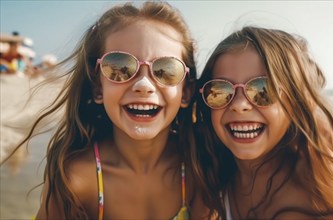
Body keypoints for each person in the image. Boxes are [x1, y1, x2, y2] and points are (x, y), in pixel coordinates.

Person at [4, 2, 209, 219]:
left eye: (166, 70)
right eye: (120, 67)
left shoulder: (199, 168)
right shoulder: (76, 179)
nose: (143, 85)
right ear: (98, 88)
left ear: (186, 92)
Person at [194, 26, 333, 219]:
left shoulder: (322, 179)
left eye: (263, 89)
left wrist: (313, 116)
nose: (239, 105)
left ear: (296, 100)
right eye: (220, 91)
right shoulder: (210, 178)